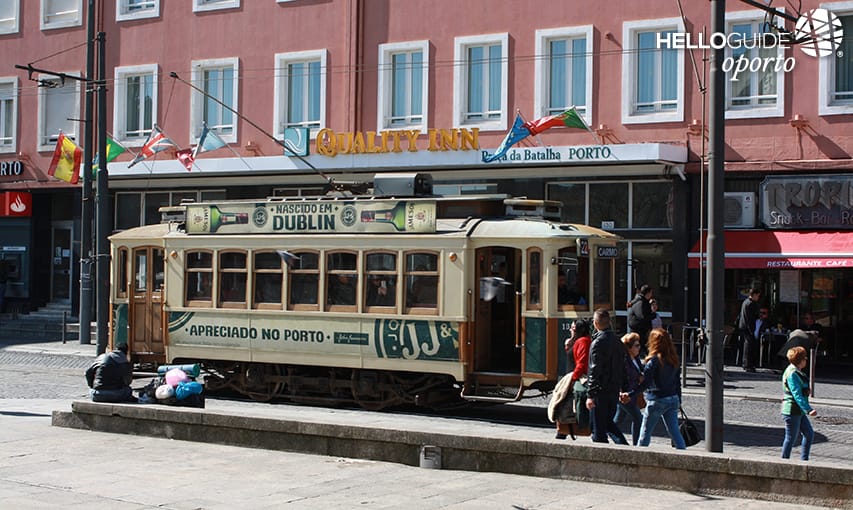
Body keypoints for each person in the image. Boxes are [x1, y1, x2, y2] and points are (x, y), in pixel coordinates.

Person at [623, 328, 686, 449]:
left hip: (657, 399)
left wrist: (630, 394)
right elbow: (677, 382)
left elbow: (645, 384)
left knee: (645, 432)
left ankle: (639, 456)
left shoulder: (654, 361)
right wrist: (679, 399)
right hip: (672, 398)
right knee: (675, 432)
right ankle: (684, 453)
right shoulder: (673, 359)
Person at [586, 309, 628, 445]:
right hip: (613, 389)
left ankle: (618, 450)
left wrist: (590, 395)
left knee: (598, 430)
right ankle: (624, 447)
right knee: (608, 423)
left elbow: (594, 370)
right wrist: (624, 388)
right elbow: (623, 368)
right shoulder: (618, 342)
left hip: (600, 391)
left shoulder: (597, 343)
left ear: (595, 323)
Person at [555, 318, 593, 439]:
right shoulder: (578, 341)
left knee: (566, 407)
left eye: (572, 328)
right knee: (566, 407)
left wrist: (573, 378)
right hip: (571, 376)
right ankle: (562, 433)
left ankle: (563, 433)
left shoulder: (583, 341)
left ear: (578, 330)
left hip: (574, 378)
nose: (570, 330)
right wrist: (570, 342)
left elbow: (581, 364)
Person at [781, 346, 817, 461]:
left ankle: (804, 460)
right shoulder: (792, 373)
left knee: (809, 434)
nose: (806, 360)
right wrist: (808, 409)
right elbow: (796, 394)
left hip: (798, 411)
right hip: (792, 410)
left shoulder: (796, 371)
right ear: (800, 360)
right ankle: (784, 461)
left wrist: (806, 390)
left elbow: (800, 389)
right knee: (790, 438)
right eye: (805, 358)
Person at [613, 332, 644, 445]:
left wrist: (641, 376)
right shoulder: (623, 361)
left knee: (618, 420)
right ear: (629, 347)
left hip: (633, 393)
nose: (639, 348)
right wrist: (620, 392)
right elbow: (618, 377)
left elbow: (640, 371)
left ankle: (605, 430)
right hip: (625, 394)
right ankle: (636, 446)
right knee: (638, 418)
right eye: (636, 345)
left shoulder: (636, 359)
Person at [738, 287, 762, 372]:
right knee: (749, 346)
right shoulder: (751, 304)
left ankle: (746, 364)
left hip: (744, 326)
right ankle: (748, 365)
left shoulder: (745, 302)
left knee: (747, 345)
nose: (758, 298)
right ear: (754, 295)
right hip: (748, 327)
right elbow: (750, 318)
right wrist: (751, 329)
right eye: (757, 296)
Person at [627, 284, 653, 350]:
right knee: (638, 346)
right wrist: (652, 315)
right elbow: (642, 316)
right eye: (651, 293)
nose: (651, 295)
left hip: (640, 328)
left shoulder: (642, 301)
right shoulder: (640, 302)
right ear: (648, 293)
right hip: (639, 328)